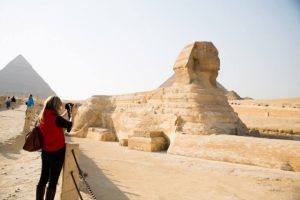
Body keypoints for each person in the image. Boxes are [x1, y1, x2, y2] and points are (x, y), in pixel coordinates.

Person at [36, 96, 73, 200]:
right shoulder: (56, 119)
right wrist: (71, 113)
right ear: (56, 105)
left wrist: (66, 112)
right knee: (53, 181)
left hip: (45, 151)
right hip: (57, 153)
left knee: (43, 178)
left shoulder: (42, 116)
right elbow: (70, 125)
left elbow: (55, 120)